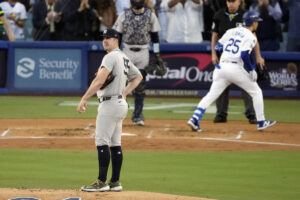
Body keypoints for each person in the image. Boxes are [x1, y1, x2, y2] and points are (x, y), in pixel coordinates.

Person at [187, 10, 276, 131]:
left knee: (211, 95)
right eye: (256, 22)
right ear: (253, 23)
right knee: (256, 92)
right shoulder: (251, 36)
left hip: (221, 67)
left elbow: (218, 46)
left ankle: (194, 119)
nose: (257, 24)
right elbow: (244, 54)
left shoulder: (231, 31)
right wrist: (251, 70)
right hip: (235, 68)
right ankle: (261, 122)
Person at [78, 28, 143, 192]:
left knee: (101, 142)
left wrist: (84, 97)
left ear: (116, 40)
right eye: (103, 38)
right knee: (115, 144)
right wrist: (125, 93)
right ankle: (115, 182)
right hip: (120, 104)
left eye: (108, 37)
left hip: (109, 104)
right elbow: (138, 77)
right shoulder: (123, 57)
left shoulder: (110, 56)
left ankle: (101, 181)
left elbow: (100, 80)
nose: (105, 40)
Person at [211, 0, 265, 124]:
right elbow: (215, 36)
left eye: (233, 1)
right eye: (228, 1)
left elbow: (254, 37)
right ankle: (221, 114)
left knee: (248, 86)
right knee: (221, 86)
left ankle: (252, 114)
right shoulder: (218, 15)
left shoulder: (246, 15)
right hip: (225, 56)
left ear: (239, 2)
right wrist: (213, 53)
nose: (231, 4)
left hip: (243, 57)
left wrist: (258, 56)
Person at [113, 0, 161, 126]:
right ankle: (116, 114)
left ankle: (138, 116)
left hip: (143, 51)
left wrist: (157, 55)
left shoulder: (150, 15)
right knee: (121, 82)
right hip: (127, 50)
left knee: (140, 85)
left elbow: (155, 37)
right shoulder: (124, 15)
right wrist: (116, 52)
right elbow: (118, 35)